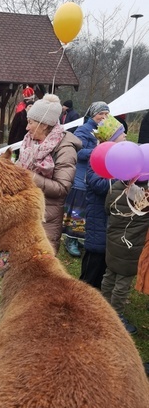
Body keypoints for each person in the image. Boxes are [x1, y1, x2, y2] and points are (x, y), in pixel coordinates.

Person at [17, 93, 81, 254]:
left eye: (30, 122)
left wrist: (30, 177)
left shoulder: (65, 149)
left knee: (37, 271)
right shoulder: (29, 141)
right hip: (23, 214)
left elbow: (62, 187)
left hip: (45, 220)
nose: (27, 127)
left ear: (44, 125)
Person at [79, 116, 127, 289]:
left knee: (105, 257)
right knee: (95, 257)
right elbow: (98, 184)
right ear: (112, 139)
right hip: (98, 214)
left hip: (111, 216)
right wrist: (121, 179)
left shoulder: (119, 157)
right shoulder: (97, 157)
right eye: (122, 133)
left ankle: (98, 293)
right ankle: (84, 292)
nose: (126, 136)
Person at [101, 180, 149, 335]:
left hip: (114, 239)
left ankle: (103, 305)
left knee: (109, 274)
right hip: (132, 245)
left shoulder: (115, 186)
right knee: (123, 282)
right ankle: (115, 315)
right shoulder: (145, 194)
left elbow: (107, 208)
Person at [62, 101, 110, 257]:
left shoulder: (105, 131)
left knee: (86, 212)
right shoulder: (83, 130)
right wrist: (99, 150)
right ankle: (70, 239)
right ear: (92, 114)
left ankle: (79, 237)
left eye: (106, 114)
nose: (103, 117)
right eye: (100, 113)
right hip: (80, 179)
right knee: (76, 210)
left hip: (93, 177)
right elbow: (78, 152)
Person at [8, 86, 35, 160]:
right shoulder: (20, 114)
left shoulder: (36, 116)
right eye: (29, 106)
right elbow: (13, 129)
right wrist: (10, 143)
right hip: (19, 140)